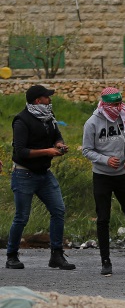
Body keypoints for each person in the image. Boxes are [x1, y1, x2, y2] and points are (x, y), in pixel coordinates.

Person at [6, 85, 76, 270]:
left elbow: (57, 135)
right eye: (47, 97)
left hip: (44, 174)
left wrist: (59, 145)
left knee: (58, 210)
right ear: (38, 100)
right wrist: (48, 151)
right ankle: (11, 256)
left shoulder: (49, 117)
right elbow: (20, 151)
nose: (50, 100)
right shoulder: (22, 120)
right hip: (23, 174)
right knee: (22, 217)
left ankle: (57, 255)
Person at [82, 87, 125, 275]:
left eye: (120, 104)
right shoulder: (92, 123)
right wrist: (105, 160)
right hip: (102, 176)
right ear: (104, 104)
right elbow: (87, 150)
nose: (118, 108)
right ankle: (105, 261)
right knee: (103, 218)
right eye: (114, 105)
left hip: (123, 175)